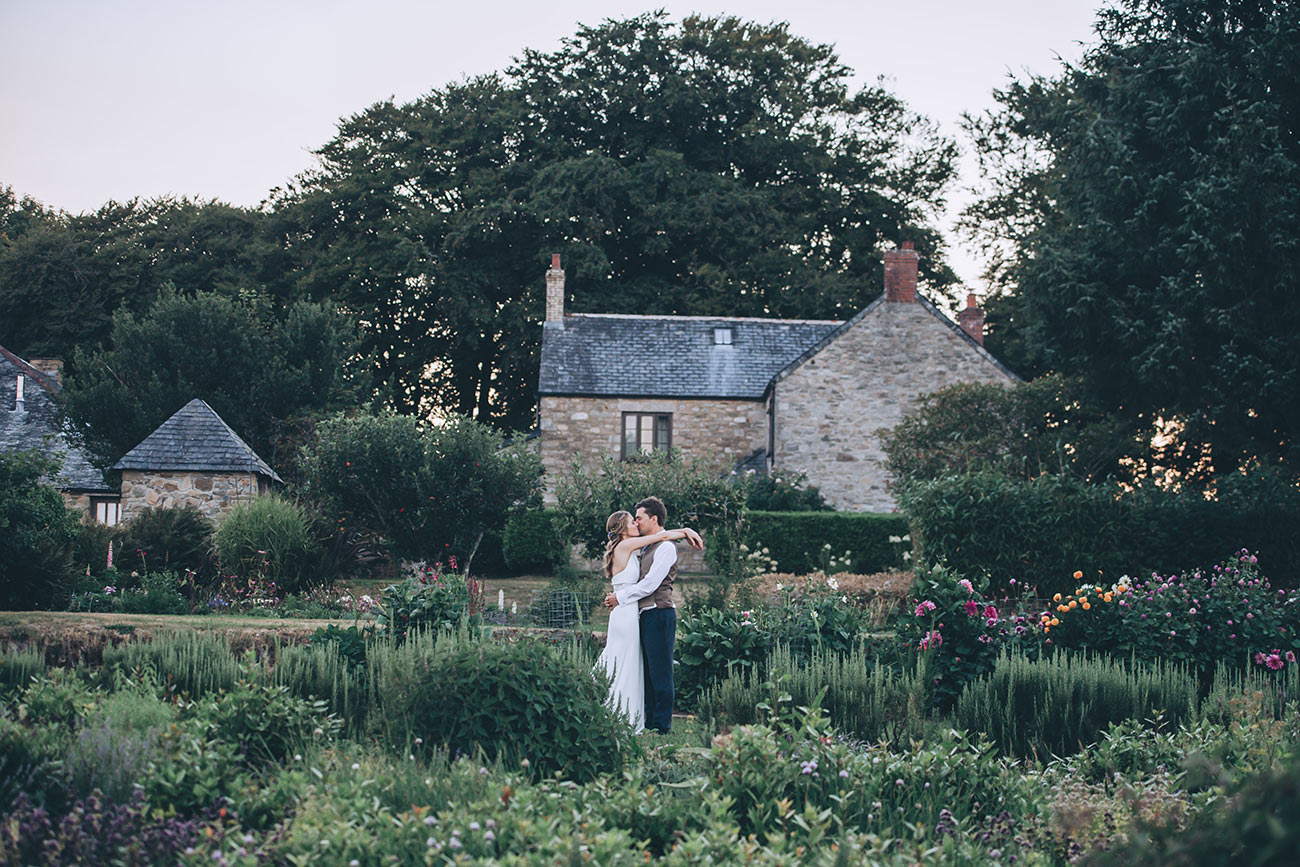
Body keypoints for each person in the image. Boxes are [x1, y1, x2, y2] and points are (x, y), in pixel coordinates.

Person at [596, 508, 700, 732]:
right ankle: (618, 711)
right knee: (623, 662)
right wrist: (685, 530)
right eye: (632, 521)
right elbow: (662, 536)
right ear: (623, 529)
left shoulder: (635, 549)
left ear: (653, 518)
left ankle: (629, 714)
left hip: (632, 611)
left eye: (638, 519)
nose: (636, 524)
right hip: (626, 613)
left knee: (629, 664)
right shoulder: (626, 546)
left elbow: (660, 546)